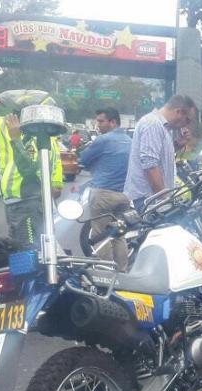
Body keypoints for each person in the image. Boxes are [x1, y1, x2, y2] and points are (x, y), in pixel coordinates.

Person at [0, 94, 63, 247]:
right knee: (24, 247)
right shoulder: (4, 124)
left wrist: (57, 183)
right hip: (15, 196)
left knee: (29, 249)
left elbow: (51, 160)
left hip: (31, 197)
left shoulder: (42, 130)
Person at [78, 108, 133, 270]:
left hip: (103, 194)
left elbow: (84, 160)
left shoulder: (103, 140)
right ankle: (122, 271)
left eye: (101, 121)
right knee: (119, 235)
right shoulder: (130, 141)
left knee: (100, 235)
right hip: (123, 195)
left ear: (113, 122)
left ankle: (107, 272)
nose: (98, 124)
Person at [123, 94, 196, 210]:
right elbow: (150, 165)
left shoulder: (163, 128)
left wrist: (178, 144)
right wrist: (165, 199)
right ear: (179, 112)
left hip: (154, 198)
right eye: (187, 120)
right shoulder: (153, 124)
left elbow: (158, 156)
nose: (187, 125)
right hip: (150, 199)